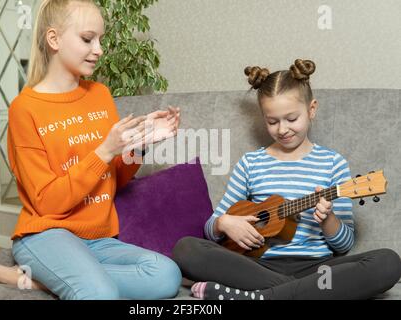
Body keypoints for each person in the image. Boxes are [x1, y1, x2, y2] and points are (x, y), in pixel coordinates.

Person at [0, 0, 182, 300]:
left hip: (99, 239)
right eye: (87, 38)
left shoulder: (100, 95)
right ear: (54, 39)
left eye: (101, 40)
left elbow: (113, 181)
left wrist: (141, 145)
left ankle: (38, 280)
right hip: (45, 234)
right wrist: (103, 152)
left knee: (167, 275)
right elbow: (47, 203)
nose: (99, 49)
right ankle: (63, 276)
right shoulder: (25, 109)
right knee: (99, 293)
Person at [172, 59, 401, 300]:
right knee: (186, 248)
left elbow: (344, 245)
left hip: (317, 269)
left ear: (311, 110)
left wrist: (328, 219)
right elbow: (211, 229)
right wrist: (224, 223)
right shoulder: (250, 163)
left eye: (292, 119)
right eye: (272, 121)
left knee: (388, 262)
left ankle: (259, 297)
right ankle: (298, 293)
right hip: (259, 268)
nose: (282, 129)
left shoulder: (333, 163)